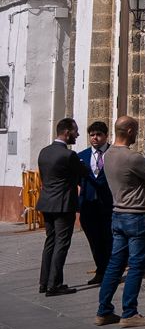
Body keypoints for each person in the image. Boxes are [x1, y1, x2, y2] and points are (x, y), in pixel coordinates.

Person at [95, 116, 145, 328]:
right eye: (137, 130)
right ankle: (129, 313)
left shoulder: (108, 155)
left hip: (118, 214)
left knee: (115, 264)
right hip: (136, 216)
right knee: (136, 266)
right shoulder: (133, 158)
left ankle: (104, 311)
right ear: (131, 130)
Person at [35, 117, 83, 297]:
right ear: (67, 132)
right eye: (75, 131)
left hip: (46, 203)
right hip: (63, 204)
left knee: (50, 242)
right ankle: (54, 284)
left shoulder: (44, 152)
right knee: (61, 244)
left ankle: (44, 281)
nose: (77, 134)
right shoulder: (68, 155)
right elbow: (82, 173)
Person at [76, 121, 113, 285]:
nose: (95, 138)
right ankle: (100, 270)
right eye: (92, 135)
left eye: (98, 135)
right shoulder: (81, 156)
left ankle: (111, 272)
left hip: (109, 204)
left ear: (106, 136)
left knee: (109, 239)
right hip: (88, 205)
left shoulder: (114, 154)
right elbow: (77, 179)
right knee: (94, 240)